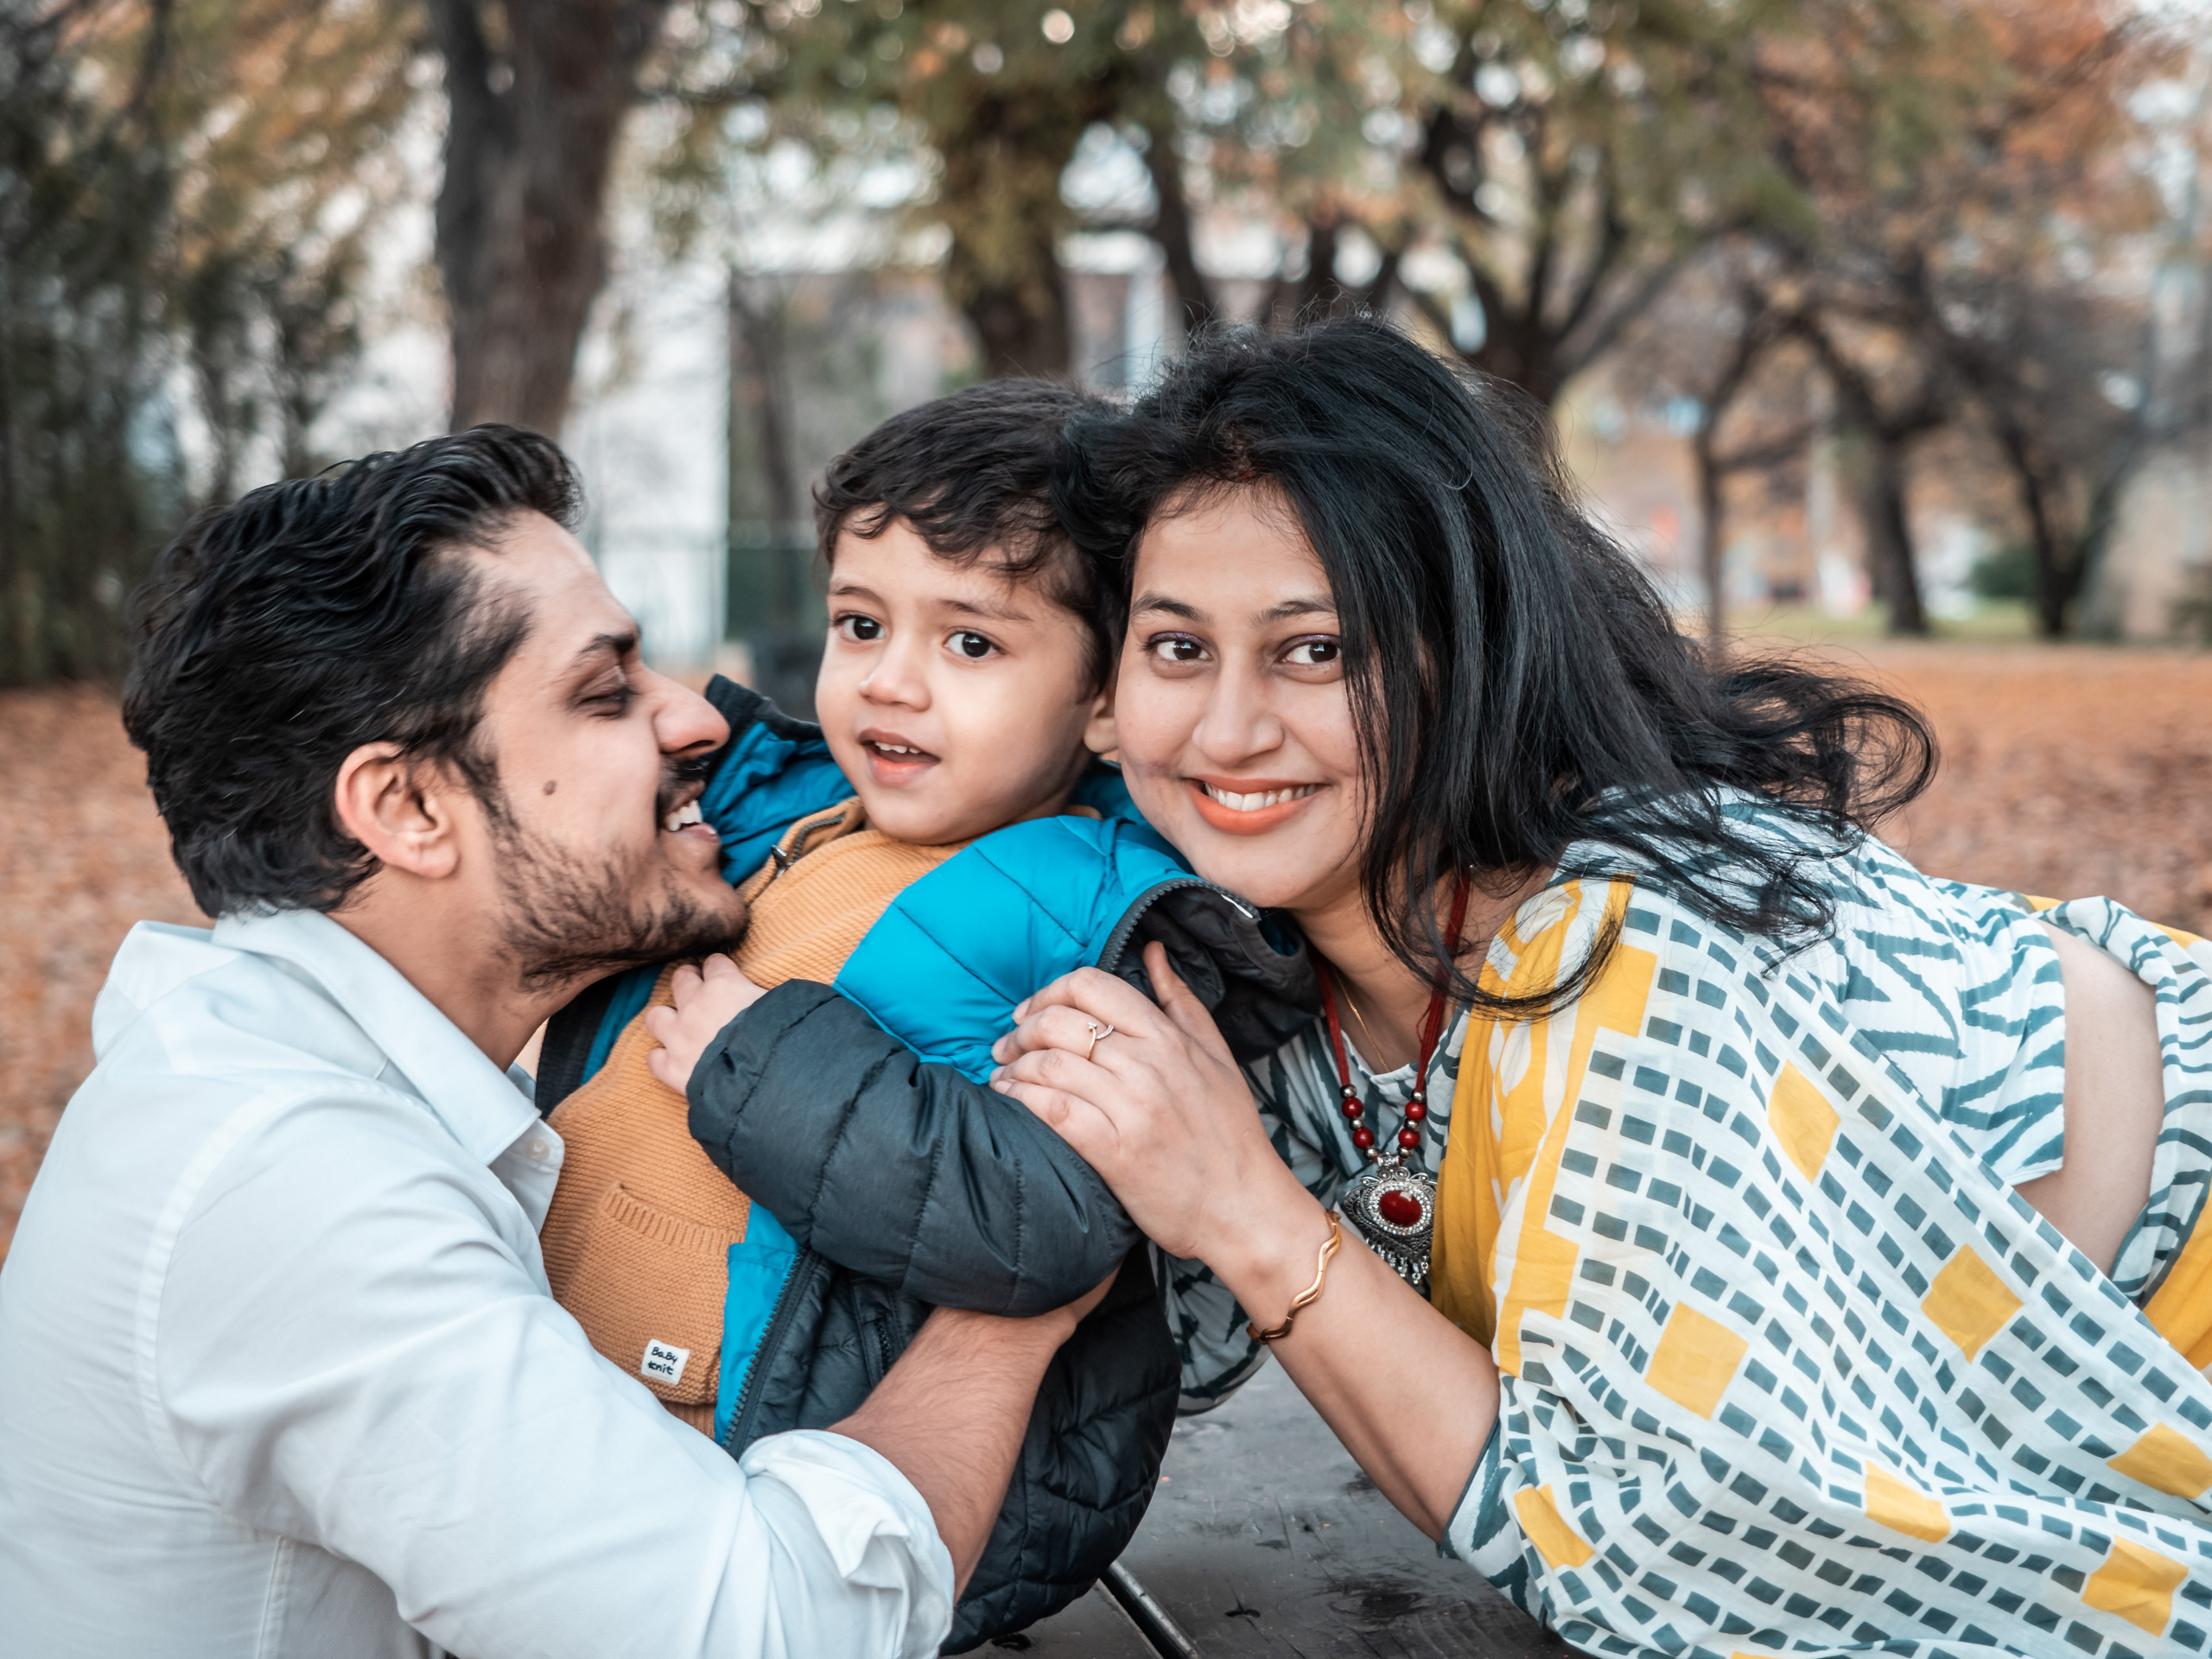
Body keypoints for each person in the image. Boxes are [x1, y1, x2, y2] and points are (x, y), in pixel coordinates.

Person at [988, 319, 2212, 1656]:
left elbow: (1653, 1557)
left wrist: (1248, 1212)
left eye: (1318, 651)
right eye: (1177, 649)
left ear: (1462, 663)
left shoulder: (1619, 948)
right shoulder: (1268, 983)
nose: (1227, 730)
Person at [0, 426, 1106, 1659]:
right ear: (411, 808)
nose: (696, 719)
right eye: (606, 690)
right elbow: (766, 1629)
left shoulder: (287, 1085)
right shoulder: (302, 1189)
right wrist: (1008, 1318)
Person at [529, 381, 1306, 1646]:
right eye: (860, 623)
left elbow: (1053, 1216)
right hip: (593, 1432)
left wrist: (762, 1063)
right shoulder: (790, 811)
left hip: (822, 1483)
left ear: (1106, 700)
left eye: (971, 645)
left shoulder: (1103, 911)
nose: (891, 684)